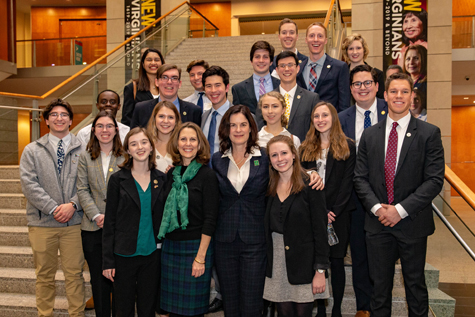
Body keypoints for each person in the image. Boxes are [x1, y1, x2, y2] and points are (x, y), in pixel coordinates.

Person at [354, 72, 445, 316]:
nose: (399, 96)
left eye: (405, 91)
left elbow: (435, 180)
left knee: (415, 287)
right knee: (379, 289)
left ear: (412, 95)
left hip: (413, 224)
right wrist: (378, 209)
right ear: (385, 95)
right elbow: (359, 178)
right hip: (377, 224)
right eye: (393, 91)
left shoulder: (429, 133)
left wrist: (400, 210)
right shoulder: (370, 135)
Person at [20, 98, 85, 316]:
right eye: (54, 115)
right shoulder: (32, 150)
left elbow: (91, 183)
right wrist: (53, 208)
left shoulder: (83, 149)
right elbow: (29, 184)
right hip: (41, 223)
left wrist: (73, 205)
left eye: (64, 114)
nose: (59, 118)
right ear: (46, 120)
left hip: (74, 223)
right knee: (44, 276)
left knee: (74, 275)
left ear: (70, 120)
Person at [338, 64, 388, 317]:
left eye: (367, 83)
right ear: (350, 89)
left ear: (377, 86)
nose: (362, 88)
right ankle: (363, 307)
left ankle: (382, 306)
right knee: (358, 254)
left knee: (383, 257)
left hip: (387, 199)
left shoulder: (392, 111)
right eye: (357, 84)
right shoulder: (341, 118)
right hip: (355, 200)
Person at [102, 127, 167, 316]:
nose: (140, 147)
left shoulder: (161, 179)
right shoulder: (117, 180)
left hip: (152, 255)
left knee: (148, 307)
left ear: (151, 146)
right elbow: (110, 222)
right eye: (134, 144)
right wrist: (107, 261)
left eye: (144, 142)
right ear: (127, 150)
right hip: (123, 255)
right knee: (123, 308)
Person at [300, 102, 356, 317]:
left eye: (325, 115)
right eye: (316, 116)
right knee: (316, 261)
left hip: (337, 215)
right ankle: (320, 309)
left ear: (333, 118)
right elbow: (302, 181)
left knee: (336, 261)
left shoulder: (348, 146)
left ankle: (338, 310)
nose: (320, 119)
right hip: (312, 214)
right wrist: (318, 211)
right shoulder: (305, 147)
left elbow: (348, 183)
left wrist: (332, 212)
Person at [212, 105, 269, 316]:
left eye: (243, 124)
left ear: (251, 128)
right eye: (232, 125)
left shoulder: (264, 157)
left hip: (254, 241)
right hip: (224, 241)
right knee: (230, 303)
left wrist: (310, 172)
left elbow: (287, 172)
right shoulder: (217, 159)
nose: (238, 129)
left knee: (252, 303)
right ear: (226, 129)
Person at [263, 135, 329, 317]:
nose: (280, 159)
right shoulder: (268, 185)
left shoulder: (311, 184)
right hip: (277, 261)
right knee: (284, 314)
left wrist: (320, 270)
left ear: (294, 154)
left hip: (304, 263)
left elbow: (320, 230)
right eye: (274, 155)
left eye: (284, 153)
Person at [159, 122, 219, 317]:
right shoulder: (171, 175)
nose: (188, 143)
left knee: (192, 312)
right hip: (171, 249)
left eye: (193, 139)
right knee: (172, 311)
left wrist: (200, 258)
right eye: (183, 139)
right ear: (176, 144)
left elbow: (210, 219)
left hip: (196, 249)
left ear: (200, 144)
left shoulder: (207, 175)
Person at [77, 110, 125, 317]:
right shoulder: (84, 156)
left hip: (120, 228)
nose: (105, 130)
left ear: (116, 130)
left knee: (120, 279)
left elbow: (130, 191)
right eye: (100, 126)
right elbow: (82, 189)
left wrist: (112, 217)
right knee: (98, 279)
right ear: (93, 131)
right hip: (92, 228)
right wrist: (96, 215)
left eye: (109, 126)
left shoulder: (127, 155)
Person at [256, 51, 320, 142]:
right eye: (282, 66)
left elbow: (316, 131)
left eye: (290, 65)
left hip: (302, 152)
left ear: (297, 68)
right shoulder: (265, 99)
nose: (286, 69)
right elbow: (260, 127)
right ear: (277, 70)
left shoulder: (311, 99)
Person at [297, 22, 350, 112]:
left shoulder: (339, 67)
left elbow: (344, 105)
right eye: (312, 36)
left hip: (330, 124)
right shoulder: (298, 68)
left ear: (325, 40)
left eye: (320, 36)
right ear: (306, 40)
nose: (316, 39)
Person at [131, 64, 201, 128]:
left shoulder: (193, 111)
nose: (169, 82)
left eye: (174, 78)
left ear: (179, 84)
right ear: (156, 82)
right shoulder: (141, 109)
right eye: (164, 77)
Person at [232, 41, 280, 114]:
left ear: (271, 62)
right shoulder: (238, 89)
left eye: (265, 57)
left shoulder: (281, 85)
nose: (261, 61)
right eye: (257, 57)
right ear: (251, 61)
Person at [122, 48, 165, 126]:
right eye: (149, 60)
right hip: (142, 136)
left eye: (157, 60)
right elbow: (127, 120)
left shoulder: (167, 87)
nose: (153, 63)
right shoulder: (132, 88)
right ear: (143, 64)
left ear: (162, 63)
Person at [341, 33, 385, 99]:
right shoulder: (341, 75)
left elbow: (381, 100)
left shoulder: (378, 74)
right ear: (346, 52)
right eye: (351, 49)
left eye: (358, 48)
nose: (355, 52)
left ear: (364, 50)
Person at [201, 66, 232, 156]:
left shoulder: (240, 116)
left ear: (227, 87)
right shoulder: (203, 117)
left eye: (217, 85)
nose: (213, 90)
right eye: (209, 86)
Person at [146, 100, 181, 173]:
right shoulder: (146, 145)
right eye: (161, 116)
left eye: (170, 117)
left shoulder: (183, 145)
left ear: (176, 121)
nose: (165, 121)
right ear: (154, 119)